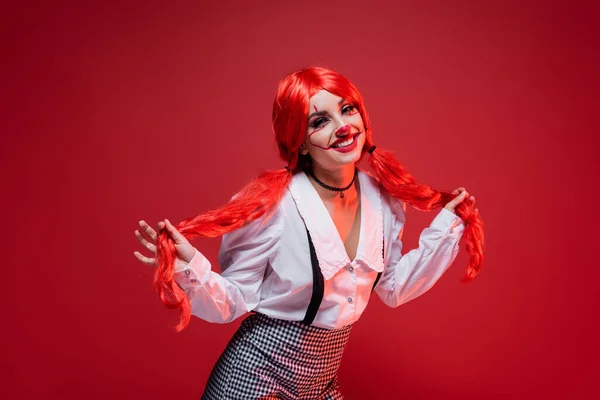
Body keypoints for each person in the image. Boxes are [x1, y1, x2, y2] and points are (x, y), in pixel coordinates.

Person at [133, 66, 484, 399]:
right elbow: (233, 300)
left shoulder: (384, 200)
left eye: (348, 110)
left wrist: (447, 229)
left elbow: (393, 288)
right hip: (254, 378)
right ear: (300, 143)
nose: (343, 127)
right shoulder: (275, 206)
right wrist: (185, 267)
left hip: (319, 383)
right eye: (320, 121)